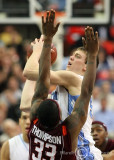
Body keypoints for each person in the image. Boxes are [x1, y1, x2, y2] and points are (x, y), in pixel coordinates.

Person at [23, 18, 102, 160]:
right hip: (63, 148)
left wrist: (37, 51)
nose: (71, 57)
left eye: (77, 56)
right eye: (71, 54)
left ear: (86, 66)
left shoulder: (74, 78)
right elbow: (28, 104)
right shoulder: (59, 90)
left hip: (82, 152)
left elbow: (30, 72)